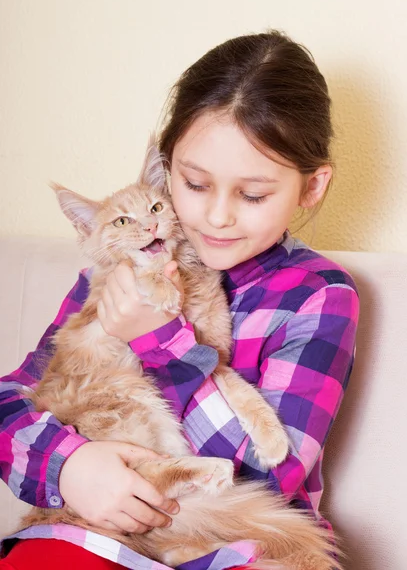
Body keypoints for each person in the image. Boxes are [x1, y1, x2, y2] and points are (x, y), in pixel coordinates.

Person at [0, 30, 359, 570]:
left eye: (253, 194)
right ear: (165, 173)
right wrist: (69, 465)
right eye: (193, 183)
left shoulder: (317, 295)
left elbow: (270, 472)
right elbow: (14, 400)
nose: (217, 217)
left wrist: (156, 337)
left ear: (311, 188)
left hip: (231, 541)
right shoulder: (116, 271)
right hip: (96, 528)